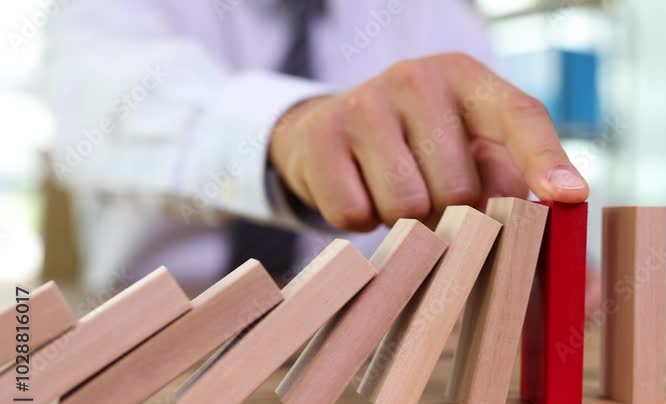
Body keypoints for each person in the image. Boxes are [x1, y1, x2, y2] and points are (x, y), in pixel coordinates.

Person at [45, 0, 589, 295]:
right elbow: (93, 110)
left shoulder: (442, 13)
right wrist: (287, 131)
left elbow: (509, 161)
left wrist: (540, 243)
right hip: (150, 330)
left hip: (374, 335)